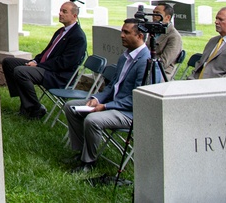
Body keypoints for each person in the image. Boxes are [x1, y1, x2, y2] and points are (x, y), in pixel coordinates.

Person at [63, 19, 156, 172]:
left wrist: (105, 106)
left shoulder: (146, 62)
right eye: (122, 31)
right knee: (71, 107)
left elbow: (137, 98)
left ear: (140, 36)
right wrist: (96, 99)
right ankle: (81, 152)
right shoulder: (124, 57)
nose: (121, 35)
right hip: (114, 104)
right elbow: (112, 86)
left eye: (126, 32)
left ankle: (88, 162)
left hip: (130, 113)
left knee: (93, 120)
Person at [1, 1, 87, 119]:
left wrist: (39, 66)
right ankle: (25, 101)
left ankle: (35, 108)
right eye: (60, 11)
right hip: (45, 67)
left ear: (74, 16)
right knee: (9, 62)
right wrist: (36, 61)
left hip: (58, 75)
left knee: (21, 71)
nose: (60, 13)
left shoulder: (78, 37)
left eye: (64, 11)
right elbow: (47, 52)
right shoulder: (61, 31)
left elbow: (65, 63)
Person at [149, 2, 183, 79]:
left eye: (157, 13)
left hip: (163, 73)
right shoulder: (153, 31)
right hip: (147, 67)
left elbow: (163, 63)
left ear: (167, 17)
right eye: (153, 13)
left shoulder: (174, 37)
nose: (154, 16)